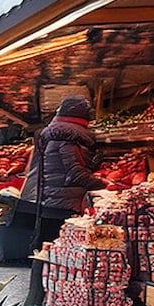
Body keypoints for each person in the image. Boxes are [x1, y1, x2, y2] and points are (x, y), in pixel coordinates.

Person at [17, 96, 107, 249]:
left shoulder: (57, 135)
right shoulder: (67, 138)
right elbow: (75, 174)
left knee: (46, 252)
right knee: (52, 252)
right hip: (59, 205)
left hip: (48, 201)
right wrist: (104, 184)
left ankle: (39, 272)